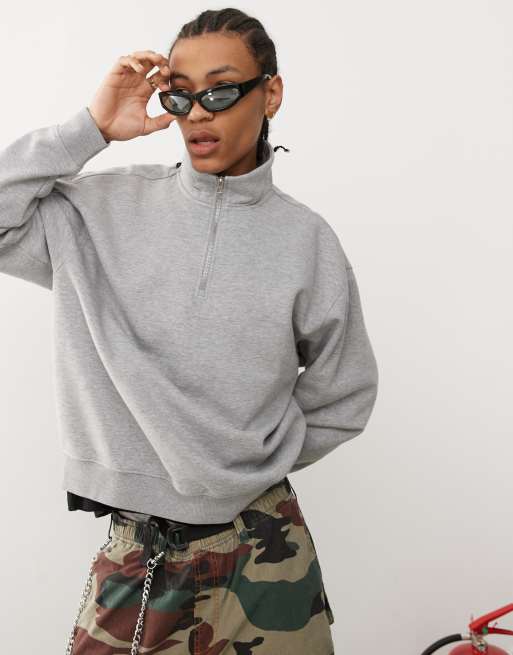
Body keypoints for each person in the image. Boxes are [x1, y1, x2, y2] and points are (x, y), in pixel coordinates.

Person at [0, 8, 379, 655]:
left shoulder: (306, 240)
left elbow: (345, 392)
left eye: (221, 91)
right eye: (179, 94)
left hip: (264, 549)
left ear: (270, 94)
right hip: (138, 554)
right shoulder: (97, 211)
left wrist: (253, 460)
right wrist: (92, 127)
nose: (197, 113)